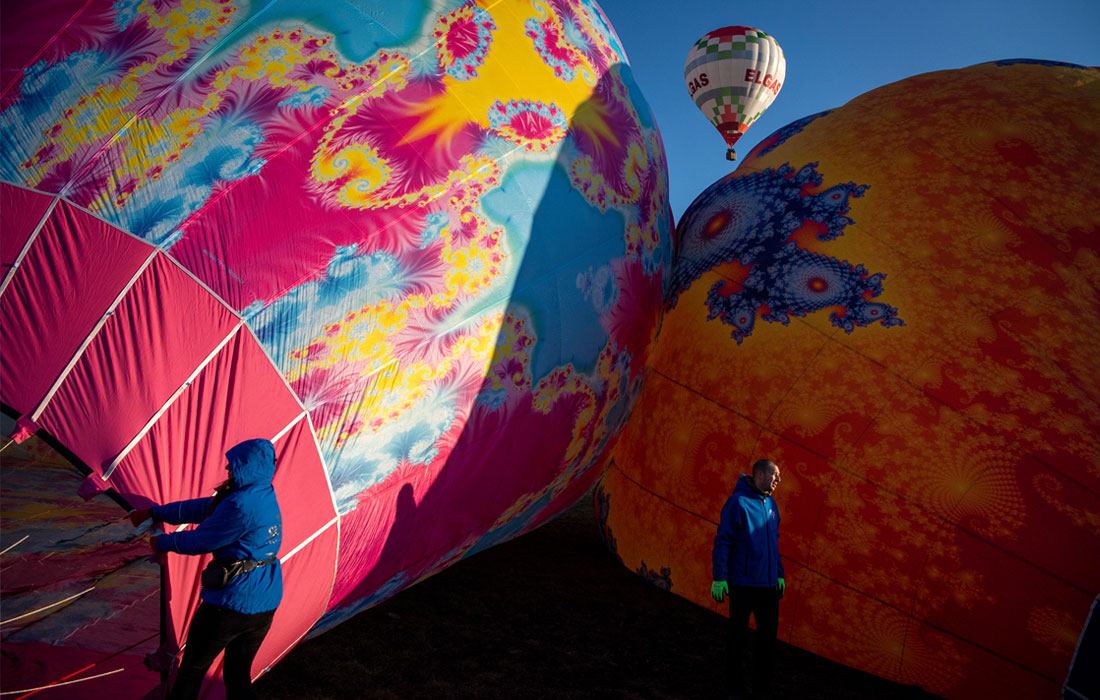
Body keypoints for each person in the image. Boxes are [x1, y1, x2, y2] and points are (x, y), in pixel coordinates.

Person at [130, 438, 283, 700]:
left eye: (233, 465)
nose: (227, 468)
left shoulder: (241, 505)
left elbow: (201, 541)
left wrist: (162, 542)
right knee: (237, 675)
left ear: (247, 467)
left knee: (192, 670)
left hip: (231, 604)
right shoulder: (261, 492)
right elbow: (205, 508)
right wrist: (157, 512)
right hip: (265, 601)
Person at [710, 459, 784, 700]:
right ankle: (735, 689)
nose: (777, 481)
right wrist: (720, 577)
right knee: (738, 639)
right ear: (760, 474)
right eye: (775, 476)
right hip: (742, 585)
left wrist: (779, 574)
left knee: (767, 641)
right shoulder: (737, 503)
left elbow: (774, 542)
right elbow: (723, 540)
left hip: (768, 587)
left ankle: (762, 690)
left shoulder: (771, 504)